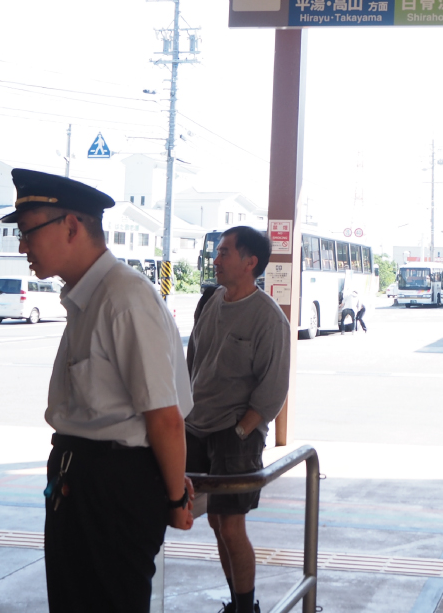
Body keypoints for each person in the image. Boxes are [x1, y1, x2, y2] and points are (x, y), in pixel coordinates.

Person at [3, 169, 195, 613]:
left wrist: (174, 499)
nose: (22, 246)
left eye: (29, 231)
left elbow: (165, 418)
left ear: (71, 226)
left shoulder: (124, 298)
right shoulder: (86, 298)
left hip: (114, 489)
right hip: (80, 479)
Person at [186, 226, 291, 613]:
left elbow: (272, 390)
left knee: (231, 525)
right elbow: (193, 359)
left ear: (250, 263)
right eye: (217, 252)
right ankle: (237, 601)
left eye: (225, 252)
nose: (216, 259)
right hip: (196, 426)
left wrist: (242, 429)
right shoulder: (211, 302)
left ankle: (246, 608)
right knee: (215, 522)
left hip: (235, 435)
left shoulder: (269, 318)